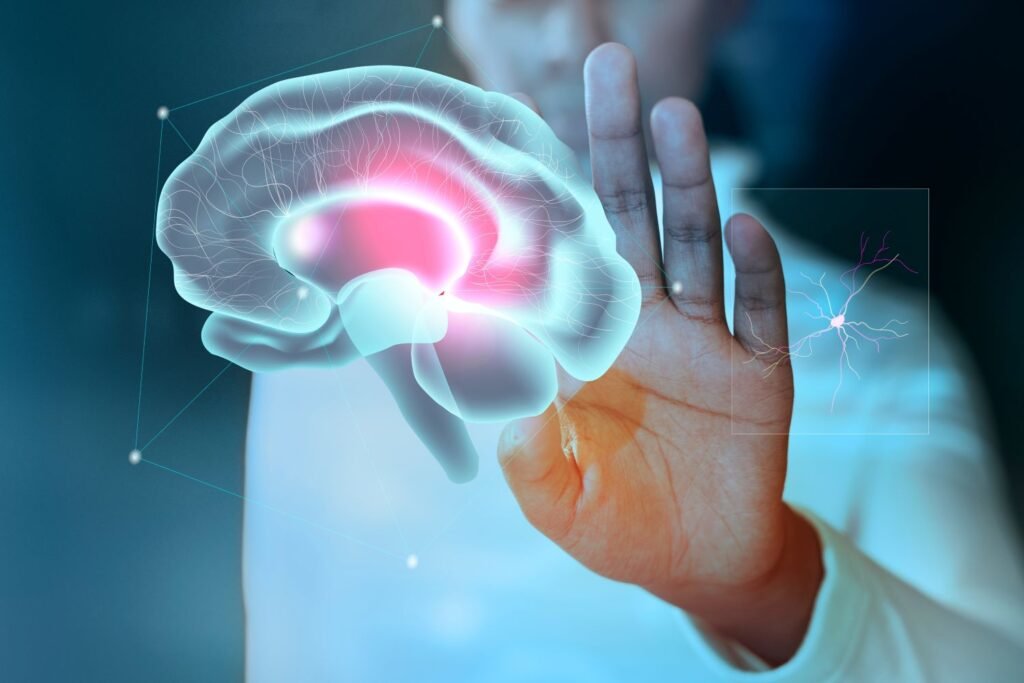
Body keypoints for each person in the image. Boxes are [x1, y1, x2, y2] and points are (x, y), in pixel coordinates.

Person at [241, 1, 1024, 680]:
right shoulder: (324, 323)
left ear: (729, 4)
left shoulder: (878, 354)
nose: (573, 41)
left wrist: (768, 583)